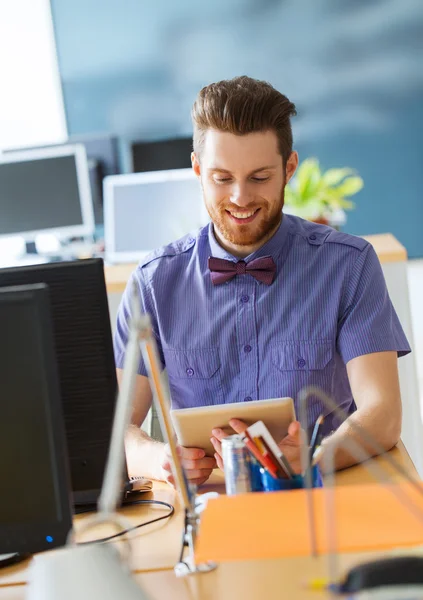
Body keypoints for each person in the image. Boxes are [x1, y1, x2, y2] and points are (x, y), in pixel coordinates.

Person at [114, 75, 410, 486]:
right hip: (211, 504)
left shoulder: (350, 266)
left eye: (258, 177)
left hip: (327, 493)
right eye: (221, 178)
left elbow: (383, 412)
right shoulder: (152, 284)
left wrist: (315, 457)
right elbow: (117, 431)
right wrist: (159, 459)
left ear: (289, 168)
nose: (239, 197)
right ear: (198, 169)